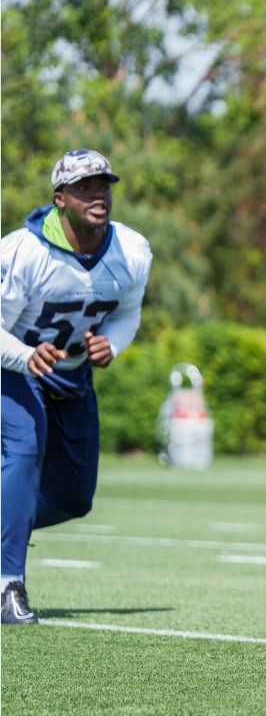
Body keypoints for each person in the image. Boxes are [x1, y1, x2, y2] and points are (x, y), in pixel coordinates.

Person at [1, 149, 153, 625]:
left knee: (73, 497)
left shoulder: (132, 250)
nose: (98, 194)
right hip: (14, 369)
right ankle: (8, 584)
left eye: (104, 185)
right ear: (59, 199)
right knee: (23, 452)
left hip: (72, 377)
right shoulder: (22, 252)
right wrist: (26, 356)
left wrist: (113, 344)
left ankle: (8, 522)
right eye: (85, 187)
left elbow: (128, 314)